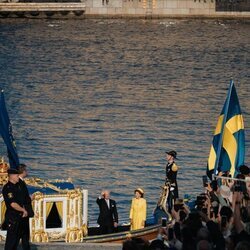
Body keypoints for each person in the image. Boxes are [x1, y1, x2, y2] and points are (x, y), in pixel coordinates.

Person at [2, 168, 29, 250]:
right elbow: (13, 204)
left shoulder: (18, 186)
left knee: (17, 242)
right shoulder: (8, 188)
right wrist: (23, 210)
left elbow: (22, 200)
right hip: (13, 219)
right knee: (11, 243)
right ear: (12, 176)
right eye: (17, 175)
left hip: (21, 218)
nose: (18, 177)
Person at [17, 164, 34, 250]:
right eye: (26, 170)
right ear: (23, 172)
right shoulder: (20, 182)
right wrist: (30, 198)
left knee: (24, 234)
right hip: (23, 211)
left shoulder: (20, 182)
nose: (27, 172)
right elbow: (22, 197)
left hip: (23, 211)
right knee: (24, 233)